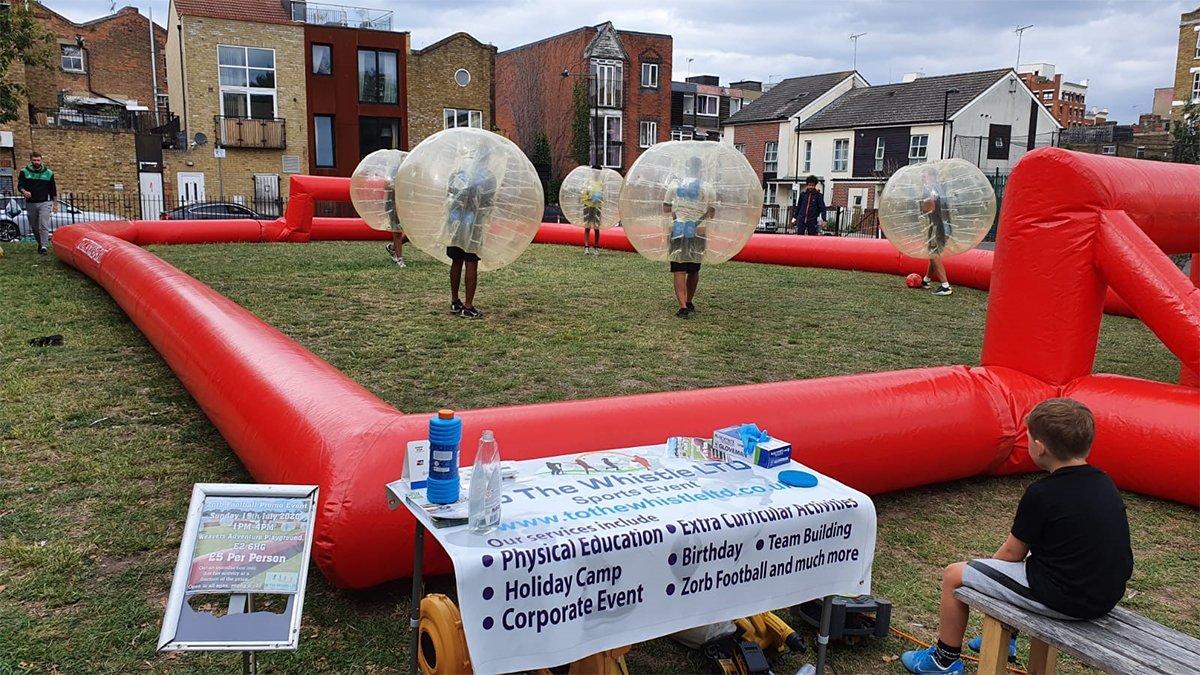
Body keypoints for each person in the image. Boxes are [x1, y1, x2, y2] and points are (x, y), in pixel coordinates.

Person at [901, 398, 1132, 674]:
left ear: (1039, 447)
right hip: (1105, 596)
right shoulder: (1104, 481)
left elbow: (1011, 555)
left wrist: (985, 578)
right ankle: (1007, 639)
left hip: (1068, 600)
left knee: (955, 575)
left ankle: (943, 660)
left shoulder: (1042, 494)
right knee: (1039, 557)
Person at [445, 144, 496, 319]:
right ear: (488, 158)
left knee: (456, 260)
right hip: (473, 222)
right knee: (471, 262)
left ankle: (454, 301)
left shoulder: (459, 172)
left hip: (454, 220)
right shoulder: (488, 176)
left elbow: (449, 191)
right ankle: (468, 306)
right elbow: (488, 200)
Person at [662, 155, 715, 319]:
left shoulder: (674, 185)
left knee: (679, 268)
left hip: (677, 228)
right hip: (699, 231)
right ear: (700, 170)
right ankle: (689, 300)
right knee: (693, 268)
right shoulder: (707, 188)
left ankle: (682, 306)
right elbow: (712, 212)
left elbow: (665, 208)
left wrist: (677, 215)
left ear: (686, 168)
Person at [920, 166, 953, 296]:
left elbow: (929, 209)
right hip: (947, 226)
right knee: (934, 253)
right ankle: (926, 280)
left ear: (932, 177)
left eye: (925, 175)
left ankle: (945, 286)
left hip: (936, 225)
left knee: (933, 253)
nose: (923, 177)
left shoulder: (929, 189)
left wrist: (924, 205)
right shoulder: (941, 188)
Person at [18, 151, 58, 255]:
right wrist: (24, 192)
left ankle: (44, 246)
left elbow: (53, 189)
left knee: (43, 224)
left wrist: (55, 204)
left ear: (41, 160)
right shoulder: (24, 172)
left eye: (38, 160)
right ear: (31, 160)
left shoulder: (48, 173)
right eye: (34, 160)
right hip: (31, 203)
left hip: (45, 202)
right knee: (35, 226)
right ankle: (40, 243)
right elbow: (20, 186)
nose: (36, 162)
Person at [382, 163, 409, 267]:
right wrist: (398, 186)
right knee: (397, 232)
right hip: (393, 205)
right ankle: (399, 258)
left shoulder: (409, 174)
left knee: (413, 233)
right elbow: (386, 185)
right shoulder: (393, 172)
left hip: (405, 205)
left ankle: (393, 248)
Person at [580, 169, 604, 255]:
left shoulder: (601, 183)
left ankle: (596, 247)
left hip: (597, 206)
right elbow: (582, 193)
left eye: (598, 173)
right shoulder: (587, 182)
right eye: (595, 172)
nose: (596, 174)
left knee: (596, 228)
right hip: (588, 205)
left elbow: (605, 194)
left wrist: (601, 198)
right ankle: (586, 248)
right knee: (587, 227)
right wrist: (587, 196)